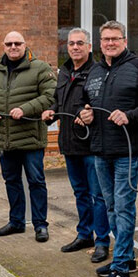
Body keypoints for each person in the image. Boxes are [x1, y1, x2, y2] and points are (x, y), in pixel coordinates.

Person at [78, 21, 138, 277]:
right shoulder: (96, 70)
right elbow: (85, 103)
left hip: (126, 151)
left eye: (115, 38)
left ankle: (121, 269)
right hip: (100, 150)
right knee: (110, 206)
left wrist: (130, 115)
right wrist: (84, 114)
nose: (110, 43)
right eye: (106, 39)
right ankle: (128, 257)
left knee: (123, 208)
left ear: (125, 40)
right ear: (100, 43)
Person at [42, 28, 110, 261]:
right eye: (71, 44)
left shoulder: (98, 72)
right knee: (80, 193)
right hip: (70, 144)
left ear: (89, 47)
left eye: (80, 43)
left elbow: (101, 103)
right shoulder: (64, 72)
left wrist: (89, 111)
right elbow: (59, 101)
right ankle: (84, 234)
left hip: (91, 145)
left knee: (97, 195)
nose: (75, 47)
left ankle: (102, 241)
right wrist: (52, 111)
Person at [0, 30, 57, 242]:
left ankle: (41, 225)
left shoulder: (40, 68)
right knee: (11, 181)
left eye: (17, 43)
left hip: (31, 138)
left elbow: (51, 95)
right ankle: (16, 222)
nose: (13, 47)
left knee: (36, 181)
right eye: (9, 44)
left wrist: (25, 108)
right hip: (4, 138)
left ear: (25, 45)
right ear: (3, 46)